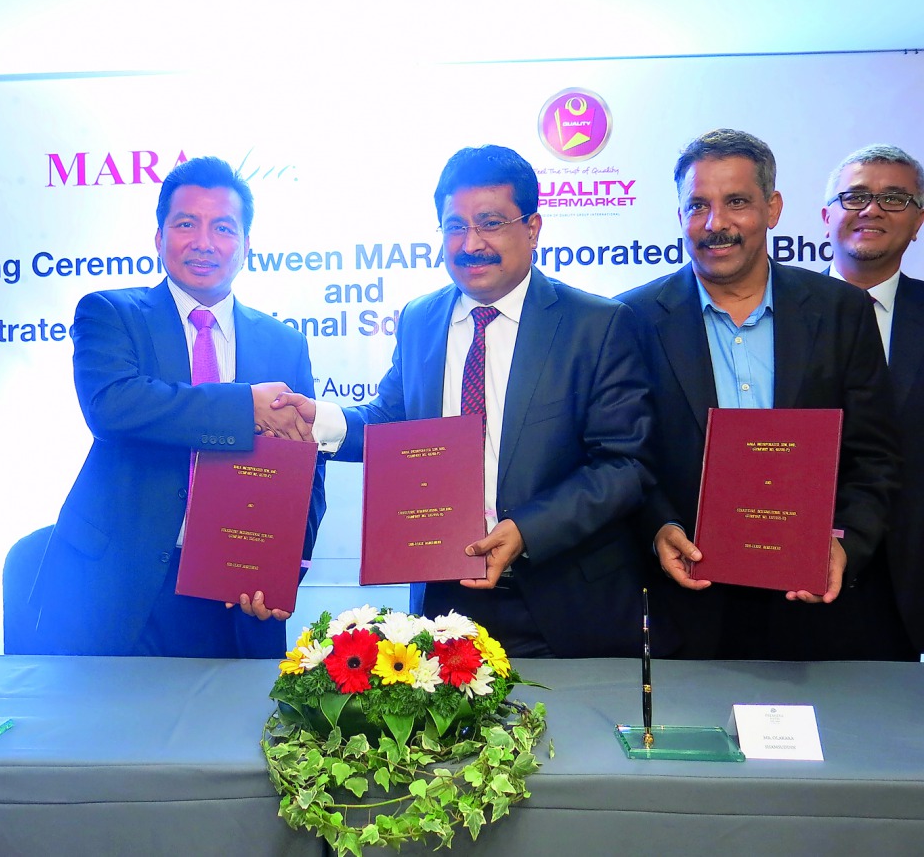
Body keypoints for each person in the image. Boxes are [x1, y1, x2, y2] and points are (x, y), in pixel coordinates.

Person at [274, 145, 660, 658]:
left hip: (564, 602)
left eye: (491, 223)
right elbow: (393, 423)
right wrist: (318, 420)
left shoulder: (598, 325)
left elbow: (623, 466)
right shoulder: (420, 319)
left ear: (534, 227)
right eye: (454, 227)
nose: (470, 243)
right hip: (444, 605)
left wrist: (526, 530)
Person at [617, 129, 901, 660]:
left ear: (773, 209)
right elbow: (624, 457)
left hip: (816, 606)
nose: (715, 223)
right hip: (685, 607)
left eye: (737, 202)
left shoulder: (842, 311)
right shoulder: (629, 319)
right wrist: (659, 526)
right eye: (697, 205)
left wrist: (847, 547)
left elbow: (876, 458)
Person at [31, 156, 326, 657]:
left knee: (241, 733)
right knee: (111, 734)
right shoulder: (111, 313)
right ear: (159, 237)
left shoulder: (283, 343)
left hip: (240, 590)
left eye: (223, 227)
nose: (204, 241)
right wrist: (243, 406)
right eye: (186, 223)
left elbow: (306, 464)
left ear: (247, 245)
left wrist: (284, 564)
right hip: (120, 585)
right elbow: (115, 406)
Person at [821, 143, 924, 658]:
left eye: (895, 198)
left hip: (908, 584)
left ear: (919, 220)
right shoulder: (774, 318)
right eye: (855, 196)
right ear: (826, 217)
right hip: (796, 578)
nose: (872, 209)